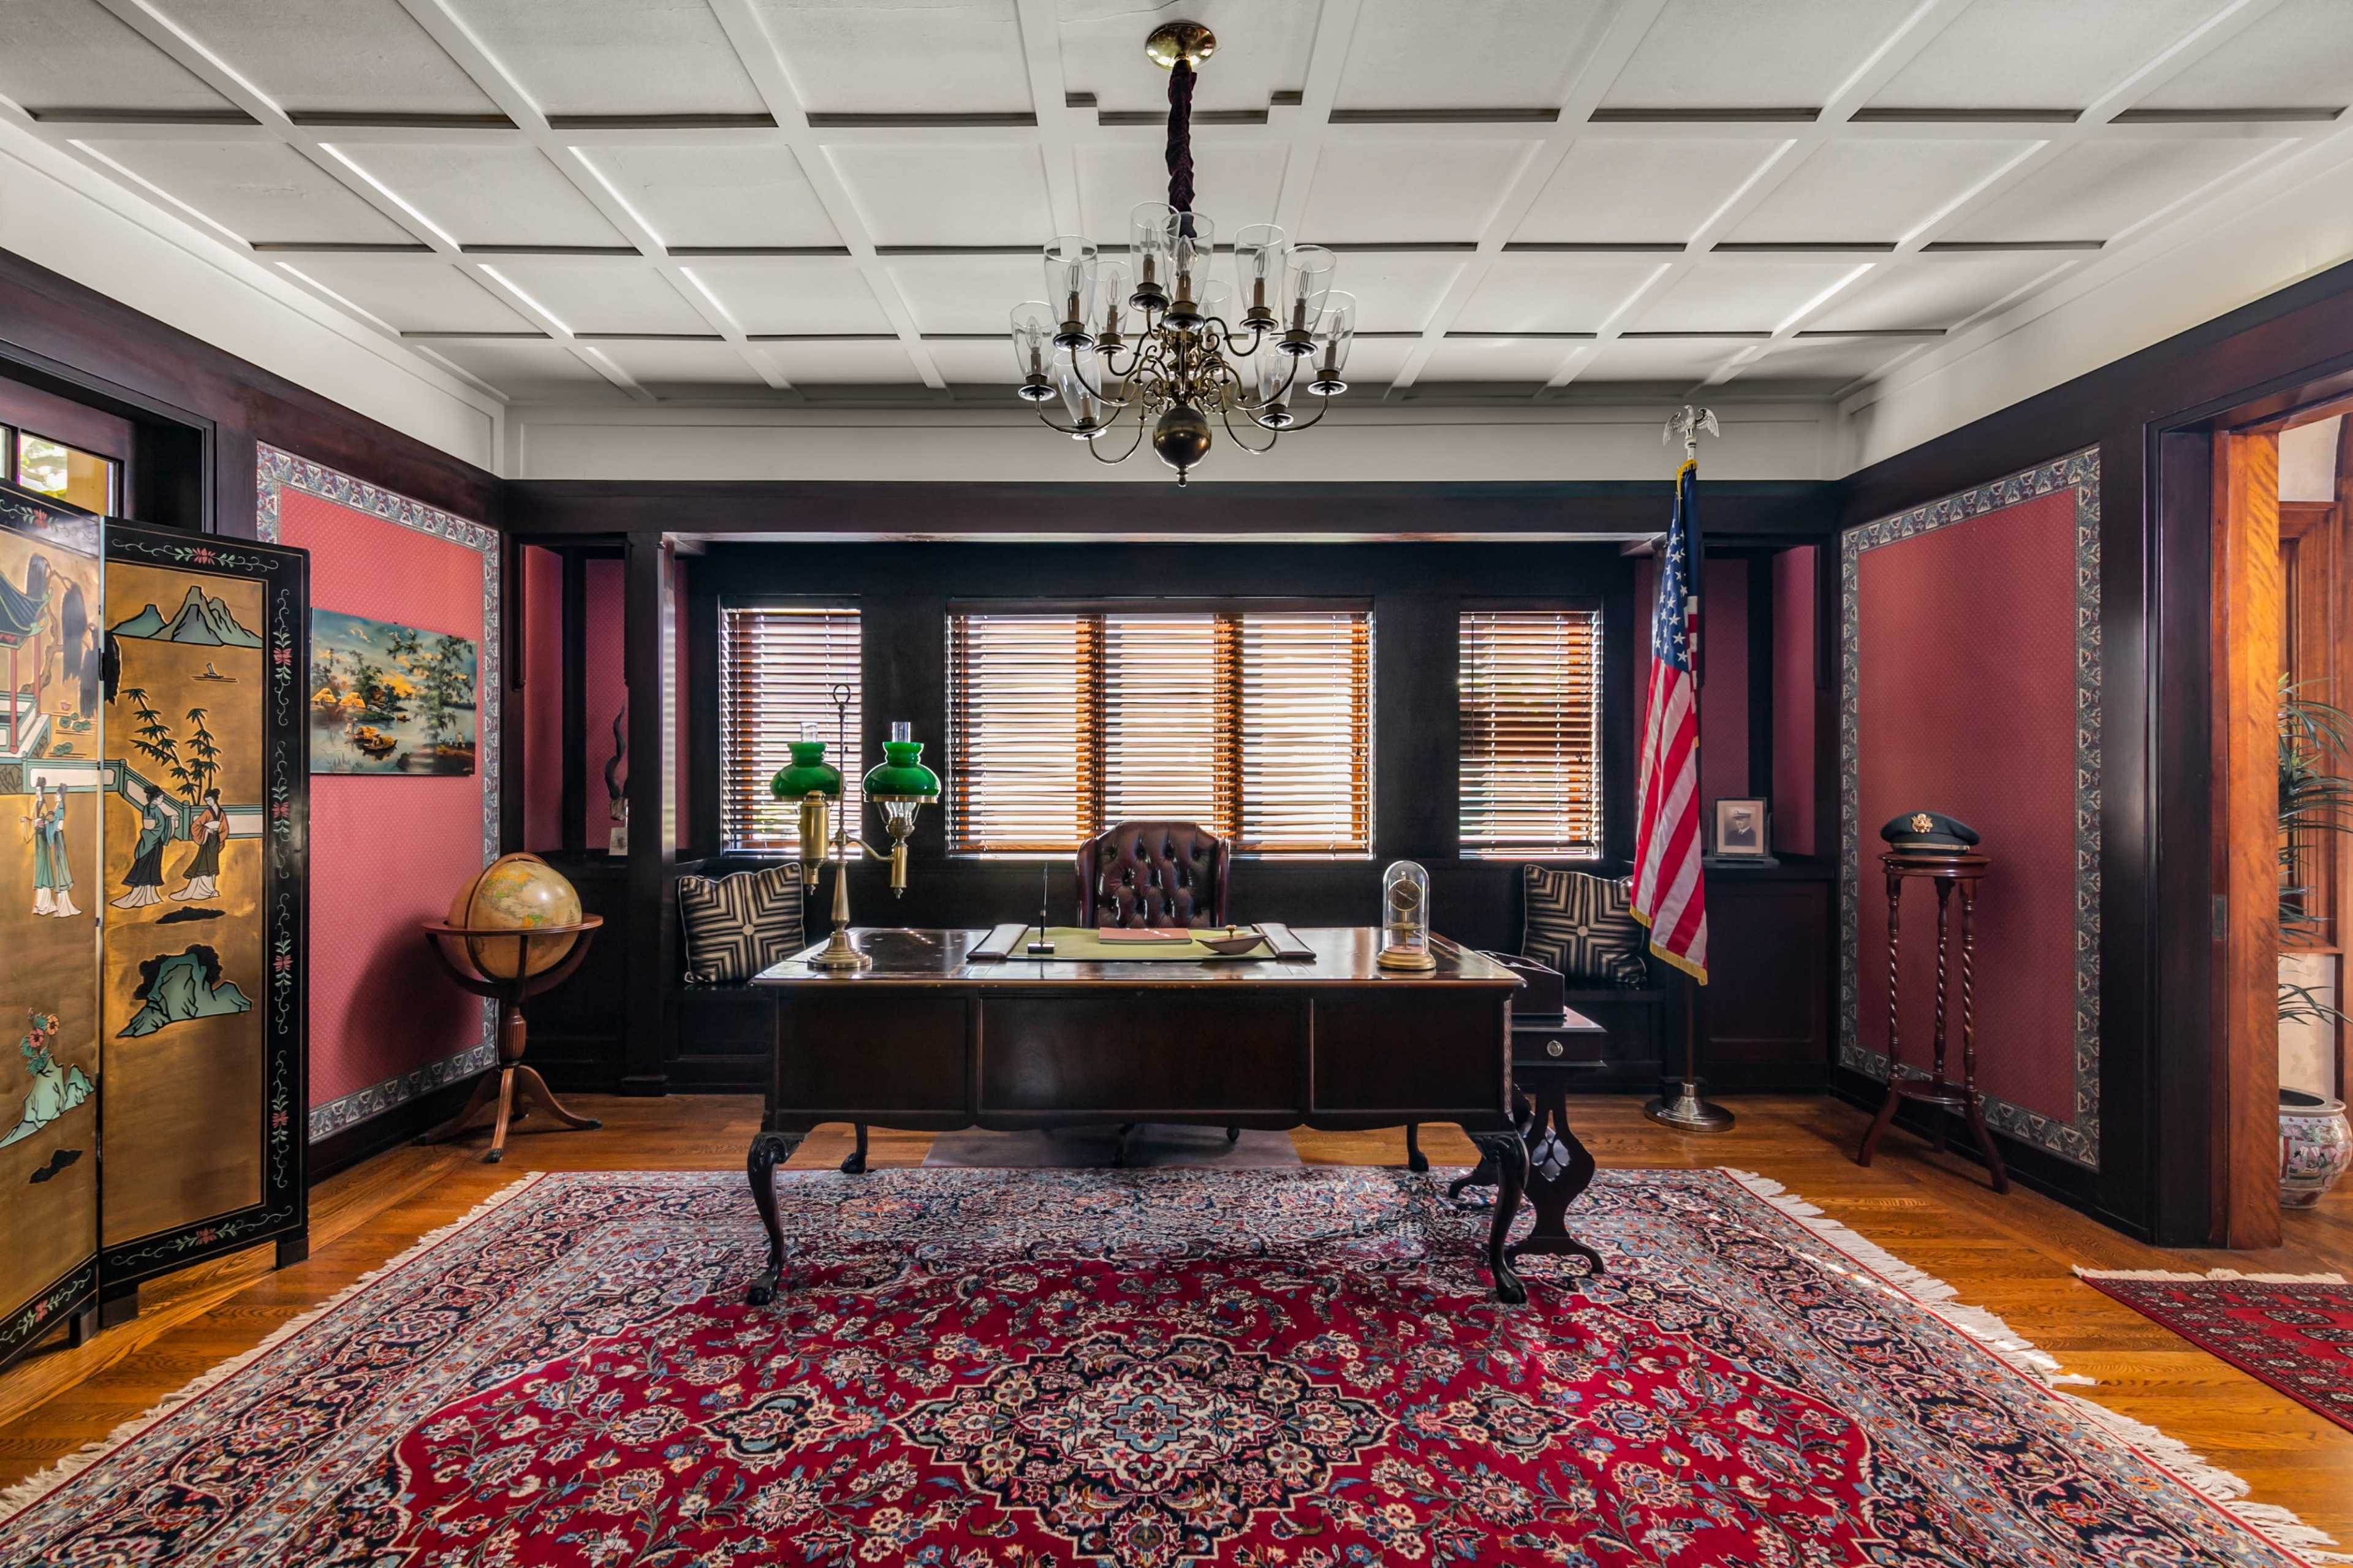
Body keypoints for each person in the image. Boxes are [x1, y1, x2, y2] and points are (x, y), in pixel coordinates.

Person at [113, 781, 172, 910]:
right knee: (145, 868)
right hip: (150, 842)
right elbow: (149, 827)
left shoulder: (155, 809)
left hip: (156, 842)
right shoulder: (149, 809)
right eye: (161, 797)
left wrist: (168, 821)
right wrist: (167, 823)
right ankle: (140, 896)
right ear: (154, 799)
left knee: (152, 868)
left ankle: (149, 895)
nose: (162, 799)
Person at [29, 781, 79, 918]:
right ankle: (61, 907)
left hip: (58, 838)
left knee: (61, 868)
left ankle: (65, 908)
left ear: (61, 795)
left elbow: (59, 827)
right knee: (58, 868)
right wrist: (47, 824)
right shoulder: (57, 806)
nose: (55, 796)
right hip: (55, 838)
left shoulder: (60, 807)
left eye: (57, 794)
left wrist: (47, 824)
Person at [172, 788, 225, 902]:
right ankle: (200, 889)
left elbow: (225, 828)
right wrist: (206, 830)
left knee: (213, 863)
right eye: (207, 801)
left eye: (210, 800)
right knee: (203, 862)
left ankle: (210, 889)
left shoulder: (221, 813)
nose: (209, 803)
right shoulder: (207, 812)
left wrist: (218, 835)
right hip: (206, 840)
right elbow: (196, 826)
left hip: (215, 840)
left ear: (215, 799)